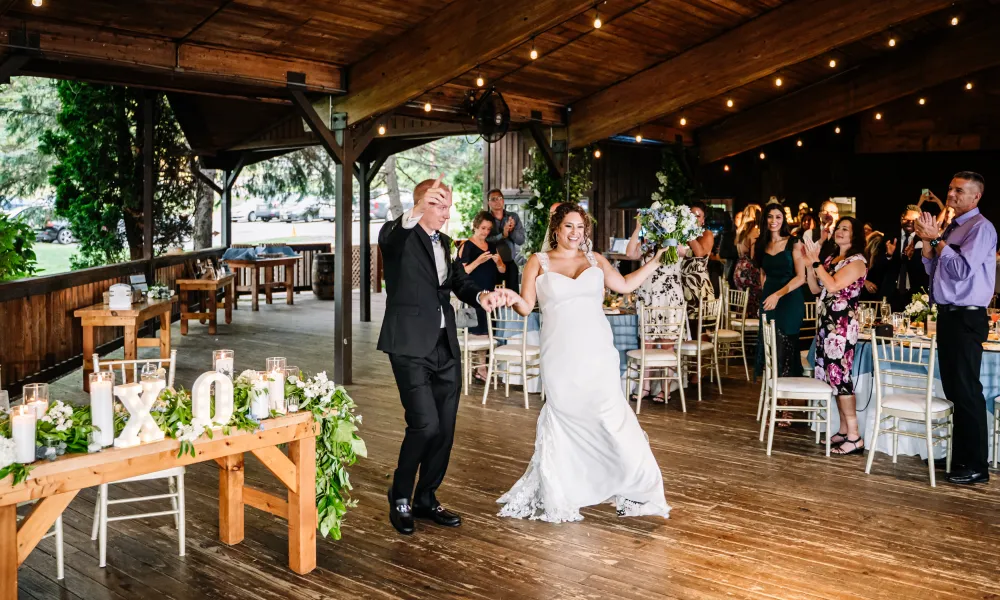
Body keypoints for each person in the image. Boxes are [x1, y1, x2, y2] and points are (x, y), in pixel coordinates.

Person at [497, 203, 671, 522]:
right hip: (561, 355)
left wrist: (658, 259)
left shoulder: (595, 260)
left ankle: (639, 489)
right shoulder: (538, 262)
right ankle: (565, 489)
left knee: (613, 418)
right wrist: (509, 298)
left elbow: (626, 285)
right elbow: (526, 306)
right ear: (556, 229)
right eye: (569, 227)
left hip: (598, 353)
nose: (576, 233)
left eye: (581, 227)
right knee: (566, 419)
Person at [378, 175, 517, 535]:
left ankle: (426, 497)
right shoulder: (398, 236)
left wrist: (482, 296)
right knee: (424, 424)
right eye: (438, 204)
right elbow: (392, 236)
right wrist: (416, 211)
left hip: (444, 346)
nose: (446, 212)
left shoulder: (447, 243)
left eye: (448, 205)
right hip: (408, 344)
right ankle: (400, 496)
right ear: (421, 204)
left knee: (445, 429)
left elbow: (458, 282)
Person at [915, 171, 996, 485]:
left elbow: (962, 270)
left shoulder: (981, 228)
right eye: (949, 189)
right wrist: (927, 244)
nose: (950, 195)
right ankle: (962, 458)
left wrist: (936, 240)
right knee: (955, 391)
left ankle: (977, 465)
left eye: (958, 191)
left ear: (975, 196)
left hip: (967, 317)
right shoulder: (953, 227)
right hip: (948, 315)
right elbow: (936, 269)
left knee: (967, 391)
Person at [802, 217, 868, 455]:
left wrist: (817, 262)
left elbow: (832, 285)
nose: (839, 231)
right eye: (838, 227)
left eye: (845, 229)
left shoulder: (858, 262)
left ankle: (854, 436)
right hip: (826, 326)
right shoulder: (832, 259)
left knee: (841, 378)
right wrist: (811, 265)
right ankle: (842, 430)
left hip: (841, 327)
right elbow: (815, 289)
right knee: (832, 379)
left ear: (855, 235)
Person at [626, 214, 685, 404]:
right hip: (648, 297)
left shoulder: (675, 242)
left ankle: (665, 388)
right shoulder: (646, 243)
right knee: (648, 344)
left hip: (669, 298)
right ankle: (645, 386)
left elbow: (685, 252)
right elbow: (630, 254)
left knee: (667, 346)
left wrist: (672, 233)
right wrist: (637, 228)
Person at [755, 203, 807, 383]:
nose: (774, 221)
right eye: (770, 216)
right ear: (764, 219)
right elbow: (762, 272)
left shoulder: (794, 242)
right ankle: (773, 395)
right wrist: (766, 294)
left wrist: (777, 295)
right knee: (771, 346)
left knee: (786, 347)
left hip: (789, 298)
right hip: (769, 298)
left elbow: (801, 278)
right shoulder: (761, 244)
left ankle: (785, 401)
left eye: (778, 217)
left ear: (783, 219)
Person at [456, 211, 506, 340]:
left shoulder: (492, 247)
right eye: (483, 228)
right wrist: (478, 261)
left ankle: (484, 361)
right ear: (475, 226)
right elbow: (460, 274)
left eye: (488, 229)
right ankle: (476, 361)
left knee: (488, 336)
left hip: (489, 297)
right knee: (470, 338)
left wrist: (499, 262)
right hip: (470, 297)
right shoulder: (466, 246)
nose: (485, 232)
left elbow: (502, 270)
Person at [882, 205, 929, 312]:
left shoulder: (924, 239)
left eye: (914, 220)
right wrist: (888, 255)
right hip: (891, 292)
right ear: (901, 219)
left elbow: (928, 267)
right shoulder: (889, 238)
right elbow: (878, 265)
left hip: (916, 294)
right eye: (906, 219)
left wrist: (912, 258)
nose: (910, 222)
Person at [485, 189, 525, 292]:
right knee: (494, 299)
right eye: (493, 199)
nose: (497, 201)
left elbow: (521, 240)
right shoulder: (485, 218)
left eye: (499, 198)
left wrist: (511, 231)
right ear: (488, 203)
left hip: (510, 263)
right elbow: (484, 240)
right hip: (491, 265)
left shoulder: (513, 217)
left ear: (503, 200)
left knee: (512, 298)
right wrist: (502, 235)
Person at [681, 201, 716, 314]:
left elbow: (699, 254)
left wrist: (688, 232)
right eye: (691, 215)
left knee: (700, 327)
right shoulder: (681, 235)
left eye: (698, 216)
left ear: (703, 220)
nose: (694, 219)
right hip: (682, 285)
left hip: (698, 286)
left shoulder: (707, 234)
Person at [732, 207, 761, 317]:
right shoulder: (753, 231)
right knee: (755, 296)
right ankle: (754, 323)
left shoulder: (741, 231)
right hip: (748, 269)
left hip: (739, 268)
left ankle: (742, 322)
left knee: (742, 299)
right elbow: (753, 256)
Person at [861, 231, 888, 302]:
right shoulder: (860, 257)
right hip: (864, 294)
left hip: (874, 294)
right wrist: (864, 282)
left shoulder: (880, 258)